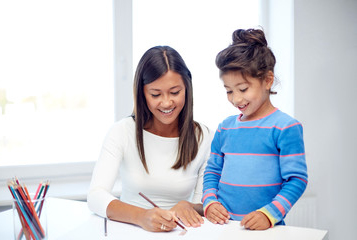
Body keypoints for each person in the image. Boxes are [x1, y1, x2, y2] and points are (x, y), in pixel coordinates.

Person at [87, 46, 213, 232]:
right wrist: (141, 216)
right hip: (129, 231)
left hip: (181, 232)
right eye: (155, 94)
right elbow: (96, 196)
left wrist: (189, 207)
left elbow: (205, 203)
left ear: (187, 88)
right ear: (142, 93)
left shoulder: (204, 137)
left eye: (175, 92)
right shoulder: (122, 132)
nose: (166, 102)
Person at [202, 28, 308, 230]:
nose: (236, 99)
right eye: (229, 91)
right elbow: (213, 171)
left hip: (266, 229)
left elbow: (296, 180)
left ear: (267, 80)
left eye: (243, 89)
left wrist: (269, 214)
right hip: (223, 228)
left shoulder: (286, 127)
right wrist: (210, 201)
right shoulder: (225, 128)